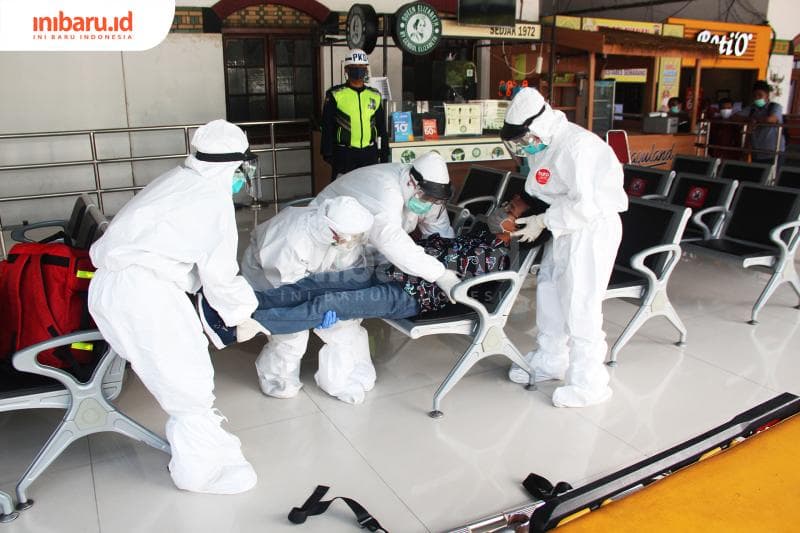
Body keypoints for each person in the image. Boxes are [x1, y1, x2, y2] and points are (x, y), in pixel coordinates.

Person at [88, 120, 268, 494]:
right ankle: (199, 473)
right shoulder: (212, 200)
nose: (242, 177)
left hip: (120, 286)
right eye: (241, 168)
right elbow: (220, 275)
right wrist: (243, 315)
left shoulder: (179, 179)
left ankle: (207, 446)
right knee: (187, 381)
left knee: (187, 365)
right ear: (231, 165)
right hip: (141, 294)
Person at [499, 87, 628, 408]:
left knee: (580, 301)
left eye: (525, 139)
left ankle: (589, 382)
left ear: (539, 125)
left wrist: (544, 221)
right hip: (563, 227)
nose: (525, 146)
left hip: (591, 229)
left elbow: (588, 205)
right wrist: (536, 217)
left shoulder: (578, 147)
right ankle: (551, 359)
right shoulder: (544, 144)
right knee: (550, 289)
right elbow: (543, 188)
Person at [197, 227, 517, 345]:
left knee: (327, 304)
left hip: (408, 295)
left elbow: (460, 284)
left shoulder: (493, 257)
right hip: (390, 271)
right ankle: (241, 304)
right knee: (314, 284)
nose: (505, 207)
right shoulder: (477, 235)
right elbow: (429, 244)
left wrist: (428, 259)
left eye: (513, 209)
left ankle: (238, 327)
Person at [238, 195, 376, 404]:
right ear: (332, 231)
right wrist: (316, 308)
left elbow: (347, 268)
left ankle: (348, 375)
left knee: (345, 323)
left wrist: (337, 301)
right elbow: (290, 292)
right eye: (352, 238)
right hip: (269, 276)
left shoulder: (343, 236)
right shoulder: (293, 241)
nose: (354, 242)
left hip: (312, 273)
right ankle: (277, 381)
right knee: (292, 331)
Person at [321, 49, 389, 179]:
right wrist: (328, 153)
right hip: (344, 154)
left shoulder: (374, 95)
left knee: (369, 188)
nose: (358, 70)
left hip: (369, 154)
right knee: (344, 190)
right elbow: (327, 125)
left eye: (362, 67)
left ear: (366, 70)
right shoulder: (335, 94)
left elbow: (381, 127)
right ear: (346, 70)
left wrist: (384, 153)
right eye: (354, 67)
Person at [736, 80, 784, 165]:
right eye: (755, 96)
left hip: (773, 152)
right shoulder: (752, 108)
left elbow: (772, 119)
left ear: (767, 95)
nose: (757, 98)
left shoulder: (775, 107)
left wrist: (756, 120)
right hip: (757, 152)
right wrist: (749, 119)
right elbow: (735, 117)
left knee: (772, 173)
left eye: (760, 95)